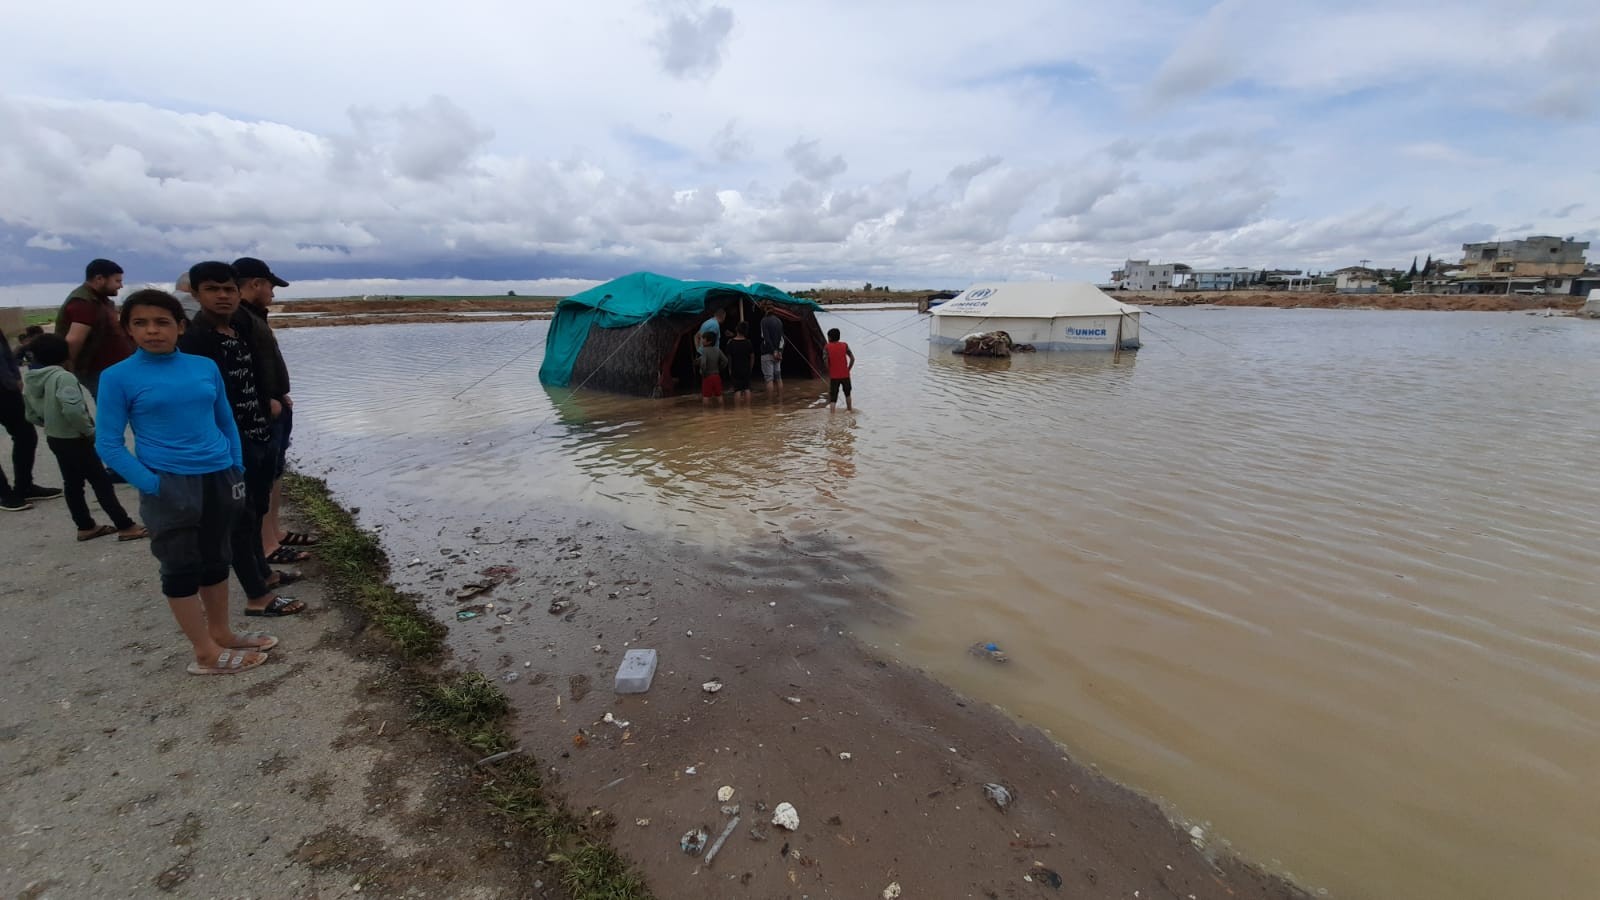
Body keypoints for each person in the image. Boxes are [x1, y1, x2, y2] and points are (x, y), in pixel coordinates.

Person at [95, 289, 276, 674]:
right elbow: (108, 444)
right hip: (169, 482)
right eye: (140, 323)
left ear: (180, 326)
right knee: (180, 566)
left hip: (220, 476)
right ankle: (204, 653)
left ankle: (222, 633)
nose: (152, 331)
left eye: (162, 322)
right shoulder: (118, 377)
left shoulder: (203, 366)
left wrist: (236, 466)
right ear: (128, 330)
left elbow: (225, 420)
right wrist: (152, 483)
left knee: (216, 559)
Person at [177, 262, 303, 618]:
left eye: (228, 289)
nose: (222, 296)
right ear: (197, 294)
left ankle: (264, 573)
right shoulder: (195, 340)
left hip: (257, 432)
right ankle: (256, 596)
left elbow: (254, 374)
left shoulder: (238, 329)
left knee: (257, 507)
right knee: (241, 520)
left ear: (238, 292)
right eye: (213, 289)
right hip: (230, 444)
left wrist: (269, 402)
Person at [20, 334, 145, 541]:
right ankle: (125, 525)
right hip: (75, 438)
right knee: (101, 482)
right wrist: (88, 431)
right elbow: (72, 410)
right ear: (66, 355)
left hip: (55, 437)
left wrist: (49, 422)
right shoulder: (63, 377)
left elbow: (30, 414)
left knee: (72, 482)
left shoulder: (32, 379)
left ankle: (85, 526)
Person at [234, 257, 315, 557]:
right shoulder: (239, 319)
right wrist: (266, 399)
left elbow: (264, 364)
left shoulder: (253, 316)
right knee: (261, 480)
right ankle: (266, 546)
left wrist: (280, 393)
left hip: (275, 405)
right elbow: (240, 369)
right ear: (255, 284)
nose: (273, 292)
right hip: (262, 413)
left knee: (274, 472)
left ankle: (275, 534)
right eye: (270, 286)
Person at [1, 328, 63, 511]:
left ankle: (24, 486)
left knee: (26, 435)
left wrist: (15, 377)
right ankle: (4, 494)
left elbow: (6, 353)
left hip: (6, 389)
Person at [55, 258, 135, 398]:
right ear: (99, 279)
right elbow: (74, 339)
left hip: (110, 370)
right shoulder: (84, 303)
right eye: (117, 281)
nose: (121, 286)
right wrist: (68, 369)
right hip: (98, 372)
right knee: (111, 411)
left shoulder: (99, 300)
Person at [825, 327, 856, 411]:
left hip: (834, 376)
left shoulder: (827, 347)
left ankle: (832, 417)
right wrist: (848, 369)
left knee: (833, 398)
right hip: (845, 375)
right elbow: (852, 359)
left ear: (830, 338)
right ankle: (849, 410)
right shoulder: (845, 345)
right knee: (848, 394)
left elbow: (825, 362)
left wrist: (829, 371)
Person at [724, 321, 756, 401]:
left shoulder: (731, 343)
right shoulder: (748, 342)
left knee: (737, 389)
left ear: (736, 329)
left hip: (735, 368)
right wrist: (750, 367)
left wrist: (730, 369)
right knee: (747, 388)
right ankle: (748, 407)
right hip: (746, 368)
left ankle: (738, 409)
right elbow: (752, 356)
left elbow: (729, 357)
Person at [759, 304, 785, 395]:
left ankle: (770, 404)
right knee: (778, 377)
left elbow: (766, 338)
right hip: (778, 353)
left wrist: (773, 350)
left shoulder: (764, 321)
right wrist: (779, 351)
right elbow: (782, 339)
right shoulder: (779, 321)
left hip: (768, 352)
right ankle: (780, 401)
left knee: (769, 379)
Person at [698, 330, 728, 406]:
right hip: (717, 375)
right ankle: (722, 411)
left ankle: (706, 415)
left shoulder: (704, 351)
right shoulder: (717, 350)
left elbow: (704, 364)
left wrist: (703, 372)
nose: (702, 340)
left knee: (706, 396)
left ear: (709, 341)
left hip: (707, 376)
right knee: (719, 395)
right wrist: (720, 368)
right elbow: (725, 360)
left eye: (703, 339)